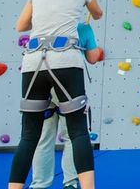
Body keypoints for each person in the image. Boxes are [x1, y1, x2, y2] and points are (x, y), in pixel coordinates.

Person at [10, 0, 103, 189]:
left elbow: (21, 26)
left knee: (29, 135)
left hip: (33, 61)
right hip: (65, 61)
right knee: (78, 131)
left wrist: (47, 18)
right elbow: (97, 14)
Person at [30, 23, 103, 189]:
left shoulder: (42, 25)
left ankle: (39, 184)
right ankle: (70, 182)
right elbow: (93, 58)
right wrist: (88, 43)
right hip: (68, 84)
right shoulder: (82, 28)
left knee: (43, 136)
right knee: (72, 135)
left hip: (39, 80)